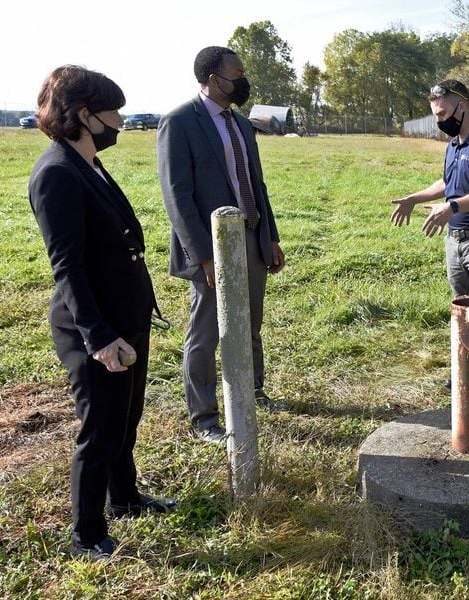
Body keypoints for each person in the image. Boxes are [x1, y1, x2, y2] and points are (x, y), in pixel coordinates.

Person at [28, 65, 175, 561]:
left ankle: (126, 499)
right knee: (101, 428)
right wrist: (98, 337)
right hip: (94, 326)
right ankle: (86, 534)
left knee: (127, 416)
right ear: (85, 115)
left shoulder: (88, 163)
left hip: (124, 316)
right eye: (115, 112)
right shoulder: (56, 173)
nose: (122, 121)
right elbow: (67, 266)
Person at [158, 46, 286, 443]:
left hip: (250, 238)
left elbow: (257, 184)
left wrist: (272, 237)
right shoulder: (179, 122)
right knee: (206, 332)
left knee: (250, 324)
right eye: (237, 73)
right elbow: (176, 194)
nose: (243, 81)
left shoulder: (243, 124)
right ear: (213, 78)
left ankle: (253, 391)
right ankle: (204, 418)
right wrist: (204, 257)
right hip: (213, 247)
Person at [390, 79, 469, 407]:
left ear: (462, 106)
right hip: (455, 241)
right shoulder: (455, 145)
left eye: (443, 113)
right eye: (435, 115)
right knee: (462, 309)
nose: (439, 121)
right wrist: (414, 199)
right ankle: (466, 367)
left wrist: (453, 207)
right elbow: (447, 182)